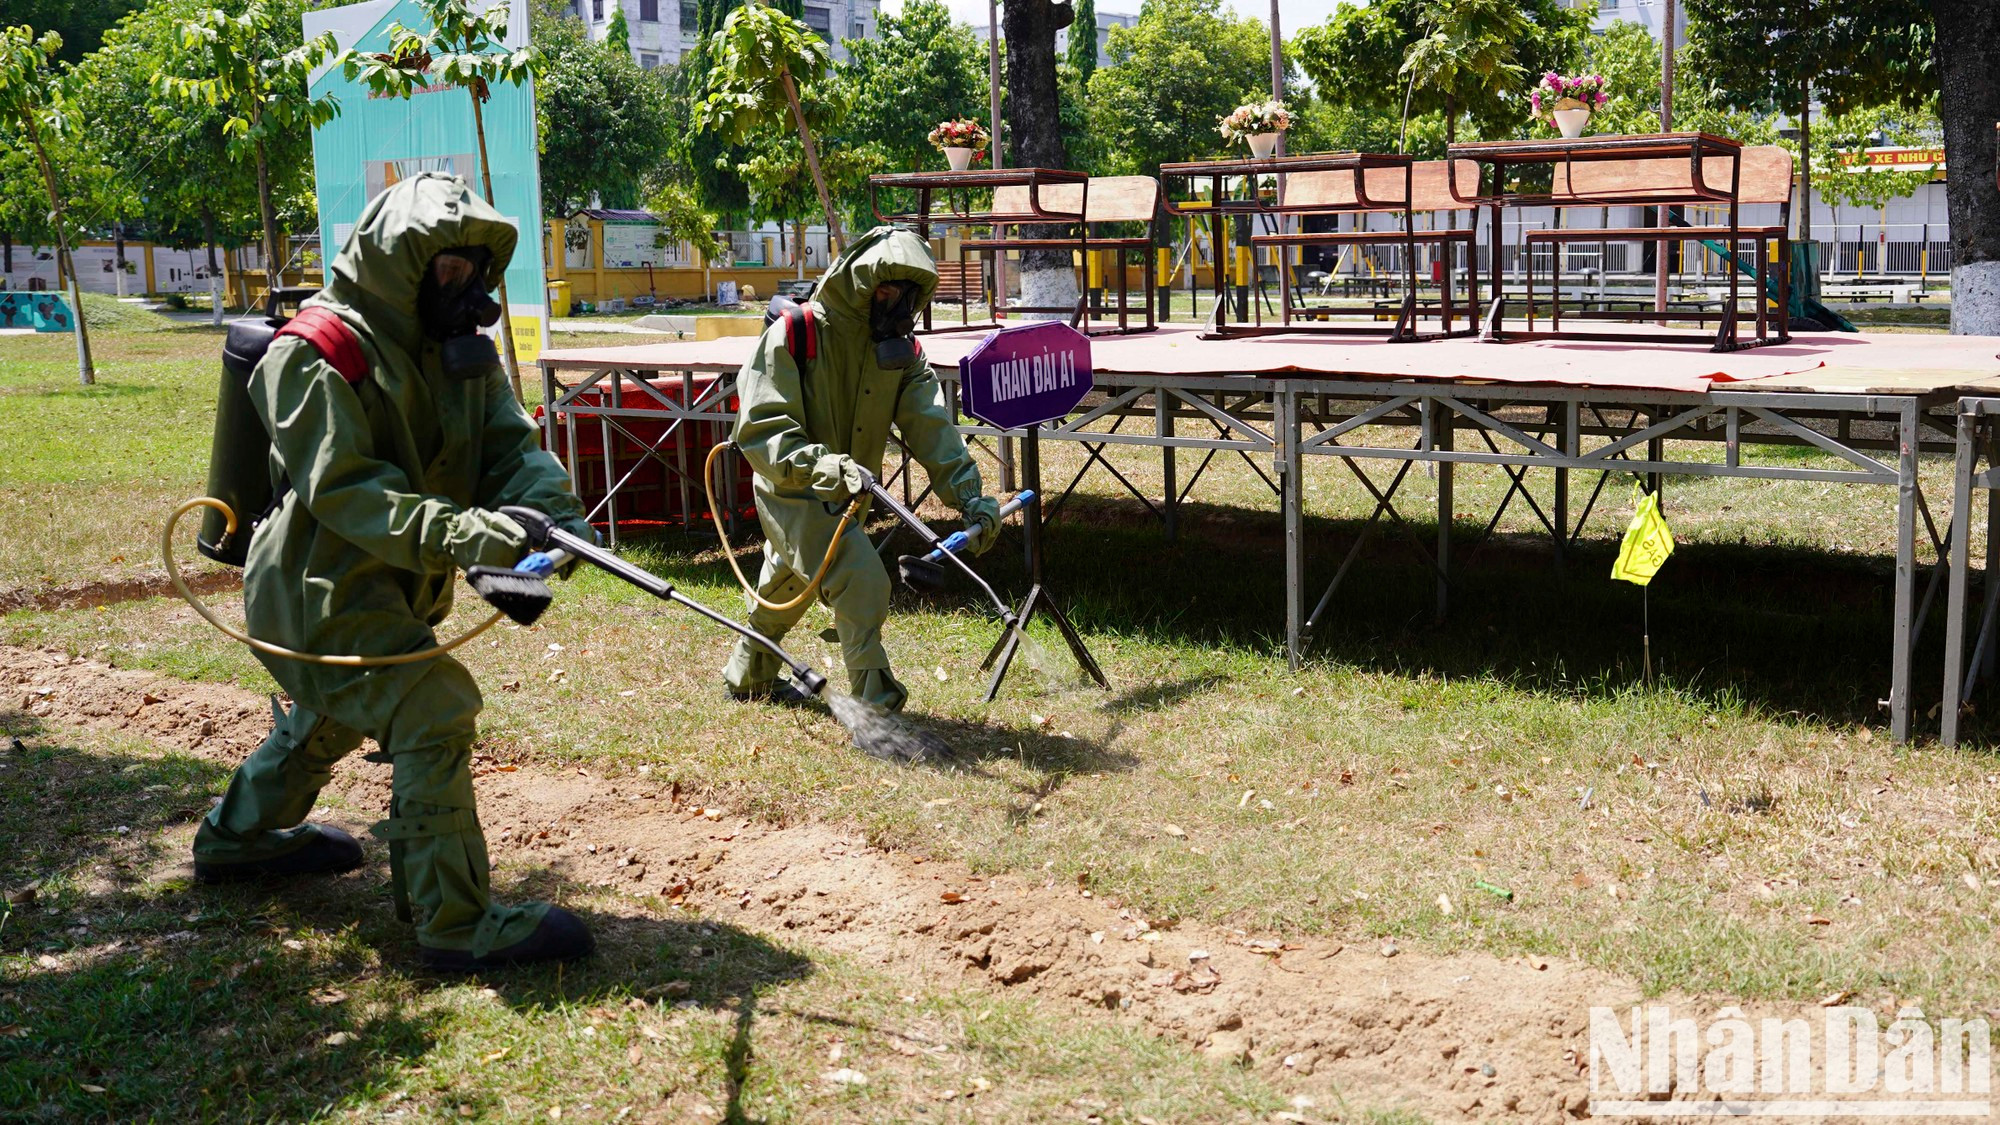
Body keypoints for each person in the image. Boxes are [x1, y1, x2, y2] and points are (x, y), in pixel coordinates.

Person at [191, 173, 596, 971]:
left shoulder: (451, 350)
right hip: (313, 592)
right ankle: (455, 922)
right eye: (451, 270)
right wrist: (477, 534)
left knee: (333, 715)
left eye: (478, 271)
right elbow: (351, 494)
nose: (469, 290)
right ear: (401, 263)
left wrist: (554, 520)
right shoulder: (313, 354)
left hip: (384, 587)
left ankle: (234, 839)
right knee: (431, 702)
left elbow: (510, 447)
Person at [724, 226, 1001, 723]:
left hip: (850, 492)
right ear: (860, 283)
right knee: (860, 579)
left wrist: (969, 496)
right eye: (886, 289)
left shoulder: (901, 353)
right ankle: (878, 713)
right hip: (792, 488)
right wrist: (818, 465)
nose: (894, 303)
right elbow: (761, 429)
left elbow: (931, 427)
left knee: (786, 586)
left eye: (907, 294)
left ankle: (748, 676)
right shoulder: (795, 334)